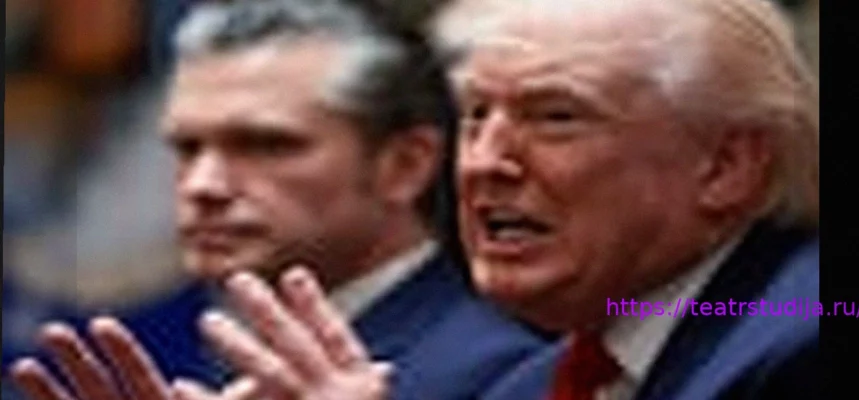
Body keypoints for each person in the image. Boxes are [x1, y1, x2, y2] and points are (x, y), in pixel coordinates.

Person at [121, 0, 819, 399]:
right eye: (477, 115)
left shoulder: (807, 326)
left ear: (725, 166)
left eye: (556, 116)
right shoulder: (536, 381)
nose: (483, 162)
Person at [7, 0, 552, 399]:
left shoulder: (503, 374)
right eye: (187, 147)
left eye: (265, 145)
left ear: (404, 166)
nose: (203, 185)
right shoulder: (227, 350)